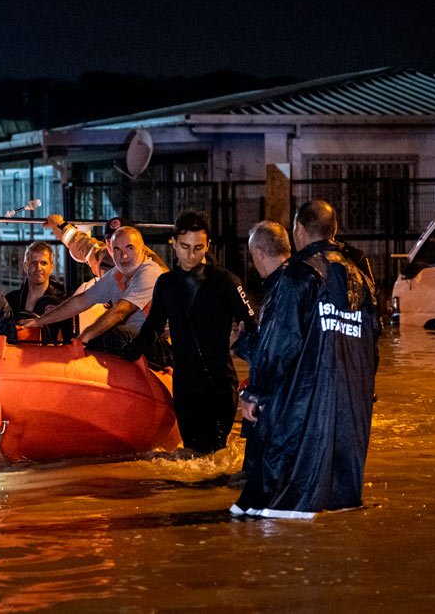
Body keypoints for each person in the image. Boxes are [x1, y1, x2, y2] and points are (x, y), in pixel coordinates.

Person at [230, 200, 379, 519]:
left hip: (301, 413)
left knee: (273, 509)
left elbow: (278, 345)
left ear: (298, 229)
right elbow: (372, 347)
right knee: (339, 509)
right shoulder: (361, 277)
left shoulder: (297, 275)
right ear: (333, 230)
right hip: (352, 413)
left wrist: (254, 393)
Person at [122, 211, 256, 454]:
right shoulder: (166, 284)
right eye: (185, 247)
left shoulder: (226, 281)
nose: (192, 255)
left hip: (220, 386)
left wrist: (254, 368)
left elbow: (252, 324)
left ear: (208, 245)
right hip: (185, 387)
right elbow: (152, 327)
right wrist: (130, 352)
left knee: (215, 458)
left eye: (198, 247)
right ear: (173, 242)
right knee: (193, 456)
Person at [26, 226, 166, 363]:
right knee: (101, 336)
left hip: (160, 344)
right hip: (135, 339)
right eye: (117, 249)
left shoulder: (149, 273)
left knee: (110, 334)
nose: (123, 256)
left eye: (130, 248)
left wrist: (85, 336)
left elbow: (121, 311)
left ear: (143, 249)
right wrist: (39, 321)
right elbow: (81, 301)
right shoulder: (116, 273)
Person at [231, 220, 293, 474]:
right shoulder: (300, 280)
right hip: (293, 401)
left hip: (275, 403)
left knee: (255, 478)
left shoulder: (283, 289)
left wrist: (239, 343)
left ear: (258, 252)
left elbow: (273, 353)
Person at [5, 241, 73, 343]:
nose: (38, 268)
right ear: (25, 266)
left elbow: (69, 342)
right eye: (33, 263)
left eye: (43, 263)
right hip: (15, 355)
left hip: (49, 357)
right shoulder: (10, 300)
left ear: (51, 267)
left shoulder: (62, 302)